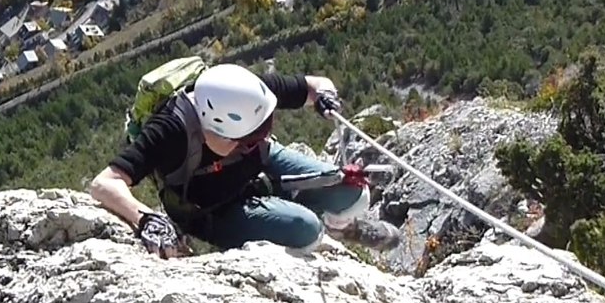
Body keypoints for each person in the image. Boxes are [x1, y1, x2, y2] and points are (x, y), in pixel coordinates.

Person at [89, 62, 402, 257]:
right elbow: (105, 182)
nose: (260, 139)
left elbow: (312, 85)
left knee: (353, 193)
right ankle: (317, 227)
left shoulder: (245, 92)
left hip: (257, 171)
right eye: (249, 139)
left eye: (264, 131)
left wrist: (325, 96)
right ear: (214, 131)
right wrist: (146, 218)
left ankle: (341, 228)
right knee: (305, 231)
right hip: (210, 209)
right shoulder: (171, 130)